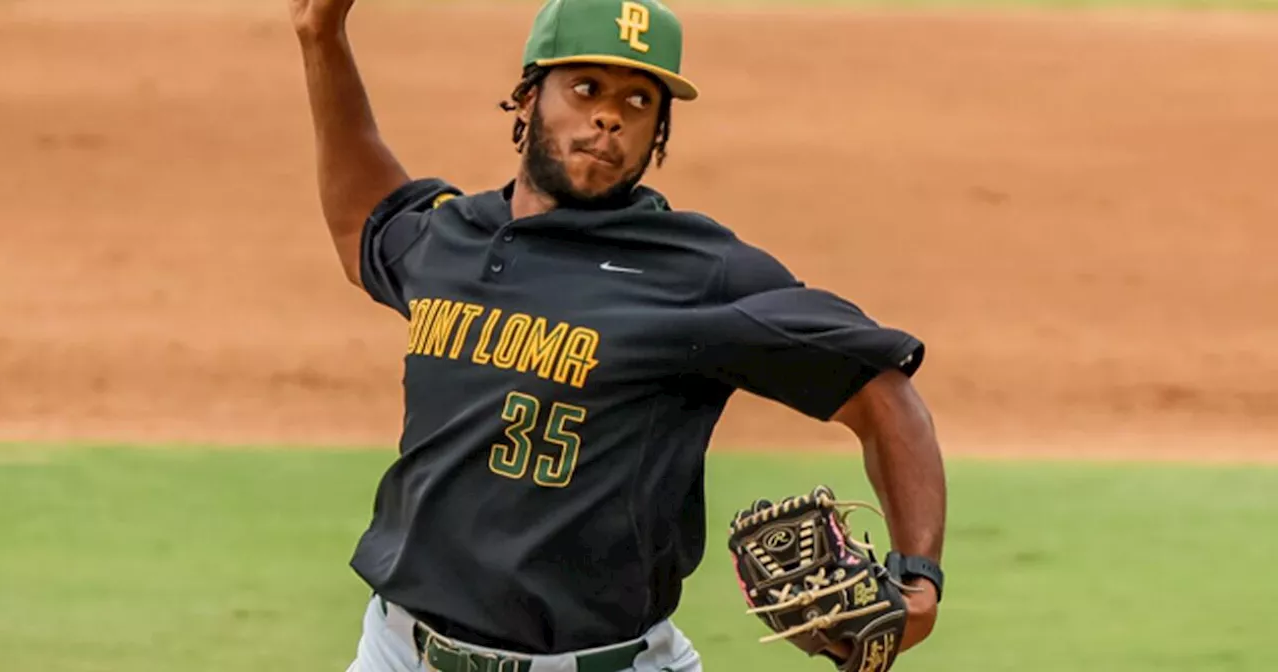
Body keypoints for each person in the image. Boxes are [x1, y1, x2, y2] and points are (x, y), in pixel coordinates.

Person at [287, 0, 947, 670]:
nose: (609, 116)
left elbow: (882, 395)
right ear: (524, 99)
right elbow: (362, 222)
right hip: (401, 654)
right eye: (585, 89)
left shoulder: (700, 273)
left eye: (639, 100)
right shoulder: (454, 239)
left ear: (658, 133)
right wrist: (322, 38)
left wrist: (919, 576)